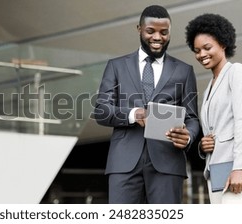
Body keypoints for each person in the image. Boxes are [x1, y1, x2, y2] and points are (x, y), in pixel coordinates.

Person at [94, 5, 200, 204]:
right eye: (151, 31)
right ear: (139, 29)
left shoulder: (184, 71)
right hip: (123, 163)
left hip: (168, 162)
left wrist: (188, 137)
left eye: (164, 32)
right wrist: (134, 114)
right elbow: (101, 110)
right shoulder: (116, 66)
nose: (157, 37)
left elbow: (192, 118)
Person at [185, 13, 242, 204]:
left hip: (237, 163)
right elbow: (216, 129)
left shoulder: (236, 71)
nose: (201, 54)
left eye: (207, 47)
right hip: (217, 167)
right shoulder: (210, 86)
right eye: (196, 50)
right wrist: (203, 146)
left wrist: (240, 167)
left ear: (223, 44)